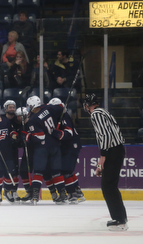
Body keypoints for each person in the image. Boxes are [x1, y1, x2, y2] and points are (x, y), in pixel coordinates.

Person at [83, 93, 128, 231]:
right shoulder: (103, 112)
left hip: (113, 151)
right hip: (115, 150)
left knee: (108, 186)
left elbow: (105, 135)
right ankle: (121, 218)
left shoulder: (96, 114)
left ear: (87, 105)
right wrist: (102, 159)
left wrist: (103, 157)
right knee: (110, 185)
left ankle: (119, 221)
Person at [25, 96, 68, 205]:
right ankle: (63, 195)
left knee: (39, 171)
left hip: (42, 147)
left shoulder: (33, 119)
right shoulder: (49, 108)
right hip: (55, 144)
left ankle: (35, 196)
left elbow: (40, 137)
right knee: (56, 172)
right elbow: (62, 107)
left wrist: (29, 136)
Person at [48, 98, 85, 204]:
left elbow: (68, 133)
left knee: (65, 171)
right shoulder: (60, 117)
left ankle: (72, 194)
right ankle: (78, 192)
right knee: (68, 170)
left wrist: (56, 133)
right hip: (70, 146)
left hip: (71, 146)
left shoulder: (64, 117)